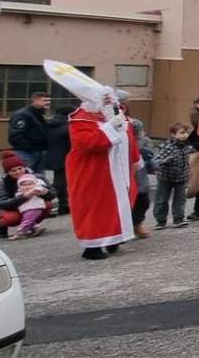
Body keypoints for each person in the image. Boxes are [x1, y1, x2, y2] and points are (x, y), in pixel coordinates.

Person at [50, 64, 141, 261]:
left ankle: (114, 238)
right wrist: (110, 127)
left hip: (119, 172)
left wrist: (135, 159)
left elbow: (129, 139)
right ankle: (92, 247)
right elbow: (88, 144)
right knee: (95, 208)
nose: (111, 103)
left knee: (121, 205)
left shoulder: (117, 116)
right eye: (106, 100)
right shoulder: (81, 121)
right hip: (94, 174)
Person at [0, 152, 54, 240]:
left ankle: (30, 225)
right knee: (8, 218)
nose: (18, 172)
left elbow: (53, 194)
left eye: (20, 168)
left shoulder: (37, 177)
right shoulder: (3, 183)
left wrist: (44, 193)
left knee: (47, 205)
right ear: (7, 172)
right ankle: (27, 226)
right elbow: (1, 203)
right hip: (15, 208)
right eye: (13, 170)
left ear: (25, 167)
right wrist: (24, 197)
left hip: (33, 205)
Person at [153, 122, 194, 227]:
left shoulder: (187, 145)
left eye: (186, 132)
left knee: (180, 199)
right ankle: (160, 221)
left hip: (181, 177)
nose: (185, 135)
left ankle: (178, 219)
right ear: (173, 134)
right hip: (165, 177)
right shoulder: (168, 147)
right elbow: (158, 160)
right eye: (182, 133)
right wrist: (164, 161)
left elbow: (195, 149)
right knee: (162, 199)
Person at [8, 92, 50, 175]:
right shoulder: (23, 115)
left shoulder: (38, 114)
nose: (48, 103)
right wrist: (30, 148)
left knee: (39, 179)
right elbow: (15, 135)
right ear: (35, 100)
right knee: (24, 177)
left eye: (49, 100)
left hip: (39, 151)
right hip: (27, 153)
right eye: (45, 100)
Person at [45, 105, 73, 216]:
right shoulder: (67, 127)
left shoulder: (51, 125)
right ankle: (60, 205)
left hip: (54, 157)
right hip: (65, 157)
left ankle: (62, 205)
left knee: (60, 182)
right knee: (61, 184)